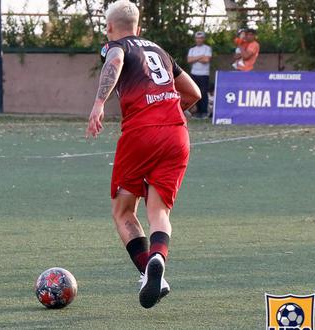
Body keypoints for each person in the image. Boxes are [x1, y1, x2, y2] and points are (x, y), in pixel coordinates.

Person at [86, 0, 201, 309]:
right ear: (139, 27)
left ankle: (151, 274)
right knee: (159, 212)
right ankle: (158, 260)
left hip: (140, 134)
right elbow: (194, 93)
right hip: (176, 133)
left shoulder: (115, 46)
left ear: (109, 28)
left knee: (123, 211)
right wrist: (172, 111)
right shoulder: (160, 52)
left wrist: (99, 103)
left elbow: (115, 61)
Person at [187, 31, 212, 118]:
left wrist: (195, 59)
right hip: (194, 74)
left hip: (204, 74)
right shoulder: (192, 50)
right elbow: (189, 60)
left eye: (201, 38)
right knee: (195, 93)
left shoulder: (207, 48)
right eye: (197, 38)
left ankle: (204, 112)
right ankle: (196, 112)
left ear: (203, 39)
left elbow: (206, 60)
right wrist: (201, 56)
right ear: (195, 39)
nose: (199, 40)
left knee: (203, 93)